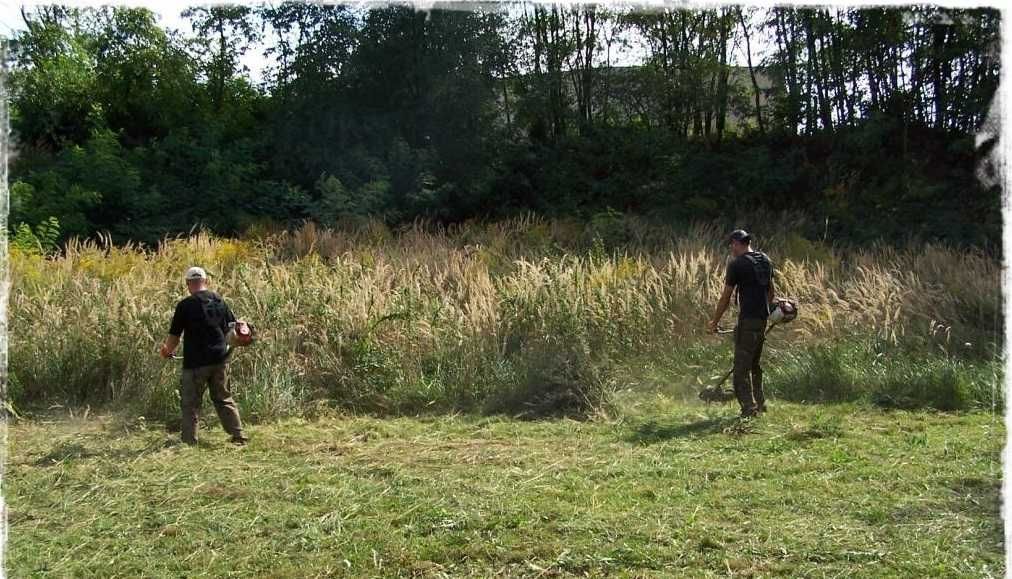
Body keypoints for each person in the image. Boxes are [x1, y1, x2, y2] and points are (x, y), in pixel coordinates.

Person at [159, 267, 249, 445]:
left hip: (196, 363)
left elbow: (174, 337)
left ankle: (189, 441)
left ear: (187, 284)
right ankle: (239, 436)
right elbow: (232, 329)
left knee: (190, 403)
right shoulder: (219, 301)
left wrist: (167, 351)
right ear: (205, 281)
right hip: (220, 359)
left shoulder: (185, 305)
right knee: (223, 397)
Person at [707, 230, 775, 418]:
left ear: (738, 243)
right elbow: (771, 292)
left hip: (748, 320)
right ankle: (760, 404)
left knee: (740, 369)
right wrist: (765, 312)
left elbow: (726, 297)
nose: (731, 248)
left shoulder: (737, 265)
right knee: (754, 364)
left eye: (732, 244)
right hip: (761, 320)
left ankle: (749, 408)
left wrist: (714, 322)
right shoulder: (765, 260)